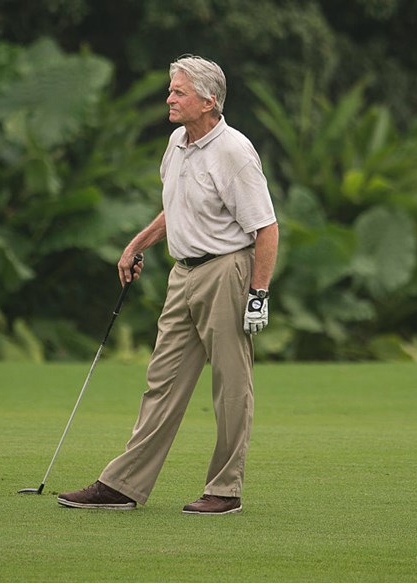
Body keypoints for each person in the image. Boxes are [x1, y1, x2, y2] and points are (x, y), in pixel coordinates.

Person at [58, 55, 279, 515]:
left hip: (227, 272)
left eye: (179, 92)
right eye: (171, 90)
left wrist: (258, 295)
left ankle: (225, 490)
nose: (169, 99)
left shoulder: (234, 151)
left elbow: (265, 228)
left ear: (208, 100)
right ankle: (123, 485)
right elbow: (177, 207)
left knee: (231, 385)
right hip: (183, 275)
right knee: (161, 382)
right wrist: (139, 243)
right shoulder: (178, 142)